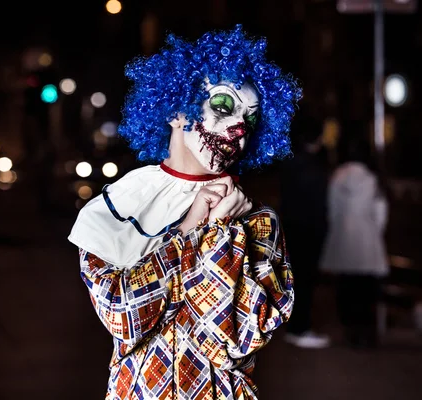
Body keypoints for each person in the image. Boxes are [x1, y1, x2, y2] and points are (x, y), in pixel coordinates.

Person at [68, 25, 301, 399]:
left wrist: (221, 231)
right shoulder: (116, 207)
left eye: (250, 119)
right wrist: (190, 230)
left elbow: (234, 342)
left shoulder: (257, 221)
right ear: (176, 110)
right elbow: (125, 318)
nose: (239, 128)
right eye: (223, 105)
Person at [319, 131, 389, 348]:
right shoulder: (372, 178)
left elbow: (331, 210)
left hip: (343, 237)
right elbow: (380, 210)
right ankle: (366, 333)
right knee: (367, 290)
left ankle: (351, 330)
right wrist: (375, 231)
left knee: (346, 287)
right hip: (367, 238)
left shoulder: (337, 176)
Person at [279, 111, 331, 349]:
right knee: (305, 280)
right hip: (309, 229)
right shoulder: (315, 166)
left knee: (296, 279)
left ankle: (296, 326)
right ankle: (300, 328)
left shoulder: (291, 161)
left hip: (292, 226)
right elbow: (320, 202)